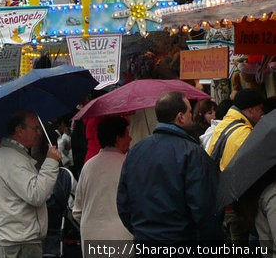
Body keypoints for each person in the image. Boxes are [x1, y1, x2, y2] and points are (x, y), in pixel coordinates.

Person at [117, 91, 222, 243]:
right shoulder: (192, 153)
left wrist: (142, 233)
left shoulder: (135, 151)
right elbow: (206, 209)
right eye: (189, 112)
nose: (191, 116)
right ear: (181, 117)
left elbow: (123, 204)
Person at [0, 111, 61, 257]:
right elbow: (37, 194)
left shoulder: (3, 155)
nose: (39, 133)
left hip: (14, 238)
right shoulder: (13, 160)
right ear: (19, 130)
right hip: (22, 241)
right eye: (35, 128)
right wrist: (51, 162)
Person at [207, 88, 265, 243]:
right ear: (251, 109)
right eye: (260, 109)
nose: (262, 114)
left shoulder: (224, 124)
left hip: (221, 205)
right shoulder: (243, 134)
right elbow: (247, 177)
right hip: (236, 209)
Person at [73, 116, 132, 257]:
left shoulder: (88, 166)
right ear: (118, 138)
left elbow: (77, 212)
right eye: (127, 135)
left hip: (90, 237)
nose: (130, 139)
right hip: (122, 238)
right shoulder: (129, 165)